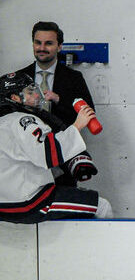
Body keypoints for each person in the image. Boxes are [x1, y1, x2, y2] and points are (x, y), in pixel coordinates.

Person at [0, 72, 111, 222]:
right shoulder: (23, 120)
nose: (37, 95)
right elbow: (47, 153)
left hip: (5, 202)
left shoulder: (5, 122)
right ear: (15, 98)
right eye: (30, 92)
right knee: (101, 206)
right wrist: (78, 125)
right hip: (28, 203)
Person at [17, 21, 94, 127]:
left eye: (48, 43)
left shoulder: (74, 78)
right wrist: (22, 103)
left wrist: (59, 100)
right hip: (27, 142)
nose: (42, 48)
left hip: (63, 141)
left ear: (59, 47)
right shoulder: (19, 77)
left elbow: (89, 114)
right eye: (38, 43)